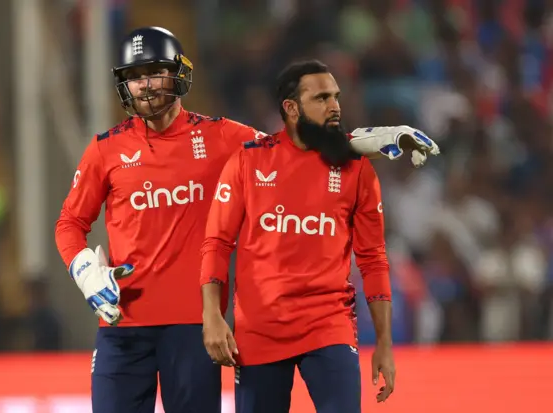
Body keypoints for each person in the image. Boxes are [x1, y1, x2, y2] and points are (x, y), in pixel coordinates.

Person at [55, 27, 437, 413]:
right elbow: (69, 223)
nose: (144, 86)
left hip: (193, 328)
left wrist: (364, 141)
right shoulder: (105, 149)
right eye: (134, 77)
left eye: (153, 72)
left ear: (177, 73)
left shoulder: (221, 137)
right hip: (121, 327)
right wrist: (84, 268)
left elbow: (290, 149)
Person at [200, 60, 400, 413]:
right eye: (322, 98)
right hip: (260, 329)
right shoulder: (248, 162)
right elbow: (217, 242)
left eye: (336, 96)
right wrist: (213, 315)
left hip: (328, 325)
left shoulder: (356, 169)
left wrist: (384, 341)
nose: (335, 106)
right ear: (291, 108)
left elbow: (373, 258)